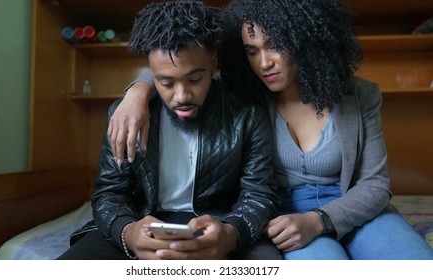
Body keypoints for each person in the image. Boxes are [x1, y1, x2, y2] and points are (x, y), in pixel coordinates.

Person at [107, 0, 433, 259]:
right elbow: (182, 73)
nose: (264, 63)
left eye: (276, 46)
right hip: (283, 218)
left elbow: (376, 184)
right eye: (252, 50)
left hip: (356, 208)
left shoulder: (359, 94)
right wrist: (137, 91)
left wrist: (321, 219)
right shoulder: (243, 96)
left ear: (305, 39)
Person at [58, 0, 281, 260]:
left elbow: (259, 193)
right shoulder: (125, 115)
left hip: (221, 222)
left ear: (213, 61)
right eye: (165, 82)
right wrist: (129, 233)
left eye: (194, 79)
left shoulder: (247, 113)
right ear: (151, 73)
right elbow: (109, 193)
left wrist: (231, 234)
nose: (181, 96)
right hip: (143, 221)